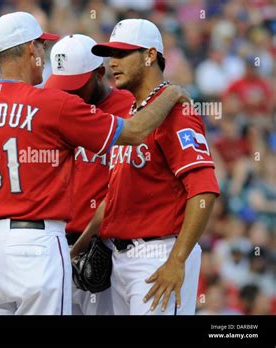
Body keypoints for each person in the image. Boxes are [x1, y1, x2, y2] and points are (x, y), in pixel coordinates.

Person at [0, 12, 189, 315]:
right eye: (40, 47)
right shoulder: (52, 103)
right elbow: (135, 131)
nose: (42, 55)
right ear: (30, 49)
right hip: (35, 245)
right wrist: (171, 94)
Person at [71, 19, 220, 315]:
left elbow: (204, 190)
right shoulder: (133, 115)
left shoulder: (177, 112)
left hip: (158, 254)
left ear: (150, 55)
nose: (112, 63)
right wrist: (72, 254)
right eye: (110, 55)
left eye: (122, 54)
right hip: (120, 258)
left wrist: (177, 260)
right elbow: (112, 200)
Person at [44, 34, 134, 315]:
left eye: (75, 87)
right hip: (57, 244)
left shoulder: (130, 108)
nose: (69, 94)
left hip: (103, 248)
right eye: (63, 86)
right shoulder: (53, 106)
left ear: (99, 73)